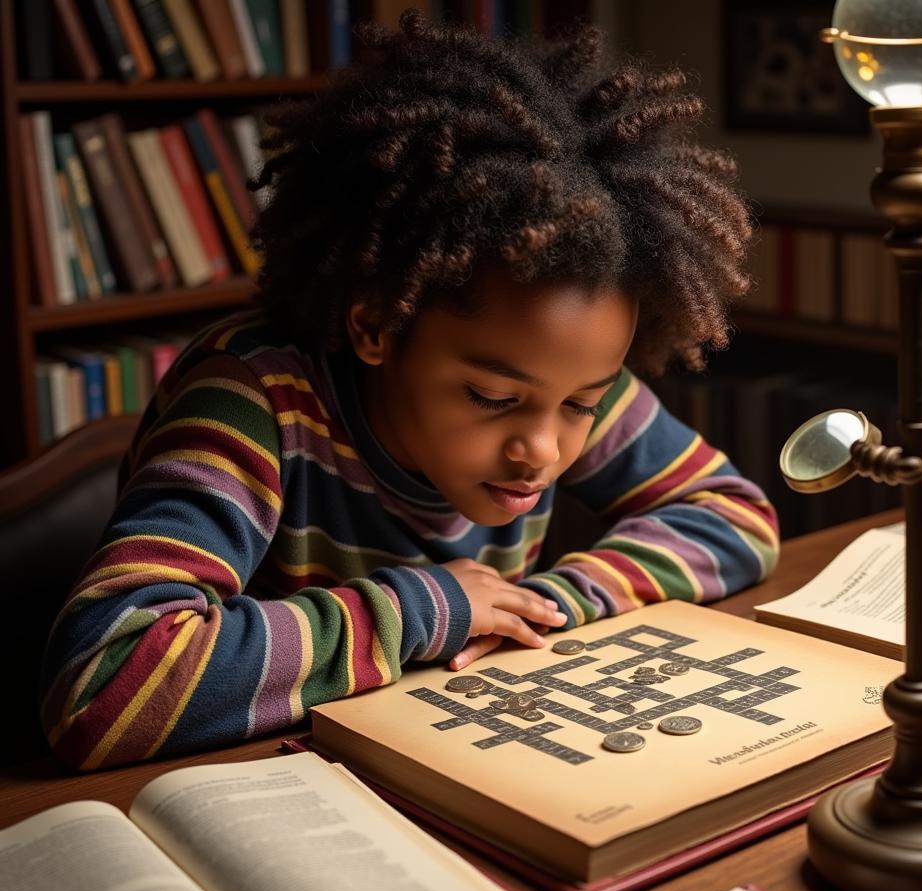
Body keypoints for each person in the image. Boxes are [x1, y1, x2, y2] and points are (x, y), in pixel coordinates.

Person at [41, 13, 779, 771]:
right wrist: (427, 610)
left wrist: (555, 600)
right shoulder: (253, 398)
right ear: (376, 328)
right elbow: (106, 687)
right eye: (492, 398)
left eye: (582, 405)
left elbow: (734, 515)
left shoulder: (555, 375)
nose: (543, 450)